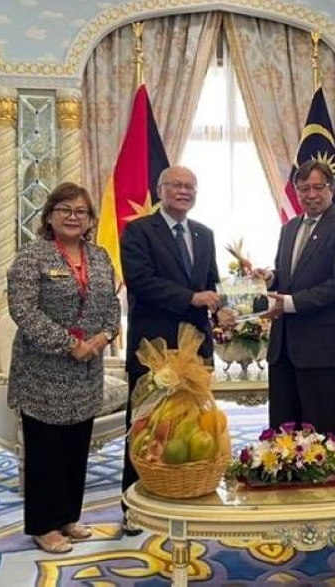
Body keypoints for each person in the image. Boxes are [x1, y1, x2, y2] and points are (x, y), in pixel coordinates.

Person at [6, 182, 120, 554]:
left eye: (81, 212)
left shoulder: (100, 256)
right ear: (50, 216)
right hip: (43, 371)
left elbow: (112, 306)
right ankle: (43, 524)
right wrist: (70, 344)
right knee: (46, 451)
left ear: (90, 220)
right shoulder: (32, 257)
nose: (74, 217)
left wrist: (103, 337)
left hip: (87, 371)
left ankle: (69, 515)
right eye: (65, 210)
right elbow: (23, 311)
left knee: (76, 447)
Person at [119, 164, 220, 534]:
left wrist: (224, 305)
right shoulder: (138, 231)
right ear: (159, 190)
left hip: (196, 348)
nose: (184, 191)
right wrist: (192, 297)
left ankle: (184, 497)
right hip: (154, 348)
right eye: (176, 185)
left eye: (190, 186)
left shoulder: (204, 233)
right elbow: (141, 282)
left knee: (193, 428)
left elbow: (212, 282)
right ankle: (134, 506)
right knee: (146, 425)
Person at [256, 160, 335, 441]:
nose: (311, 195)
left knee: (321, 435)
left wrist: (289, 303)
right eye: (304, 189)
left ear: (332, 189)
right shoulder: (288, 228)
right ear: (296, 192)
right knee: (283, 433)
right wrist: (269, 278)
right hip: (284, 349)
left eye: (318, 187)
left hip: (323, 350)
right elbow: (289, 277)